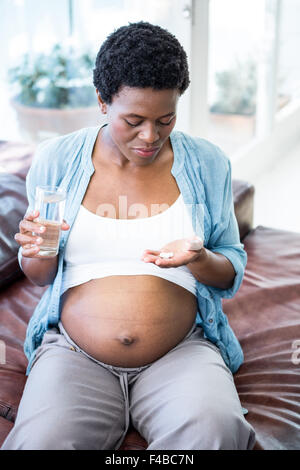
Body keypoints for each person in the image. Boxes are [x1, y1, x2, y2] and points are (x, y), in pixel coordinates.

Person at [2, 22, 256, 450]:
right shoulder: (58, 161)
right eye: (134, 120)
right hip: (73, 355)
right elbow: (41, 275)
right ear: (102, 102)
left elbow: (229, 265)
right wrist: (34, 249)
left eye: (165, 119)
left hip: (182, 351)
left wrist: (198, 257)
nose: (150, 136)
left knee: (215, 433)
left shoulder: (208, 163)